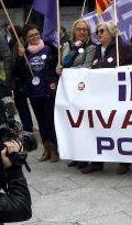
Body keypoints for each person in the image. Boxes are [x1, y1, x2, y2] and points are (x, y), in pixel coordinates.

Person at [80, 22, 132, 175]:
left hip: (118, 97)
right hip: (99, 98)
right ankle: (96, 162)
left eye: (102, 31)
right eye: (97, 32)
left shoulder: (123, 48)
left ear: (112, 33)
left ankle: (124, 161)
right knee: (98, 127)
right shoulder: (97, 50)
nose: (98, 34)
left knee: (120, 128)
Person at [21, 25, 61, 163]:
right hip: (33, 92)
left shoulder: (49, 49)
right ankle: (46, 149)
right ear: (26, 38)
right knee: (41, 121)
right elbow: (17, 71)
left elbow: (57, 66)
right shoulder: (24, 52)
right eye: (31, 35)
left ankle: (55, 149)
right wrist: (20, 57)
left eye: (36, 34)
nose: (35, 37)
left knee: (50, 121)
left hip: (48, 91)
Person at [61, 20, 97, 169]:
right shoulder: (67, 45)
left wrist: (69, 71)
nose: (82, 32)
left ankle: (85, 156)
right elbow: (64, 62)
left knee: (84, 123)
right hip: (69, 89)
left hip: (83, 89)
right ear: (74, 31)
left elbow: (87, 66)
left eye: (85, 30)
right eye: (79, 29)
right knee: (72, 122)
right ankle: (76, 154)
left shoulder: (91, 47)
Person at [7, 25, 35, 134]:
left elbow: (17, 64)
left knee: (23, 106)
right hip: (19, 80)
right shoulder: (14, 43)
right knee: (22, 106)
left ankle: (28, 127)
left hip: (22, 80)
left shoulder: (20, 44)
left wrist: (19, 56)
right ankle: (27, 126)